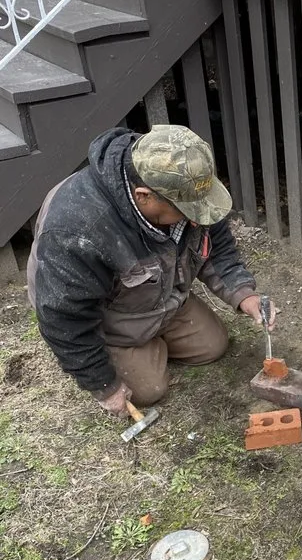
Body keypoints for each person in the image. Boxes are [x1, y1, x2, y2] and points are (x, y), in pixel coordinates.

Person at [27, 125, 275, 418]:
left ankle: (149, 339)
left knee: (213, 345)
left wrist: (244, 294)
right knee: (149, 390)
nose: (198, 220)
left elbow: (216, 247)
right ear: (144, 196)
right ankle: (120, 346)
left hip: (160, 294)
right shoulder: (77, 229)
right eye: (188, 212)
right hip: (111, 314)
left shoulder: (188, 187)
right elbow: (64, 317)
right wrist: (103, 384)